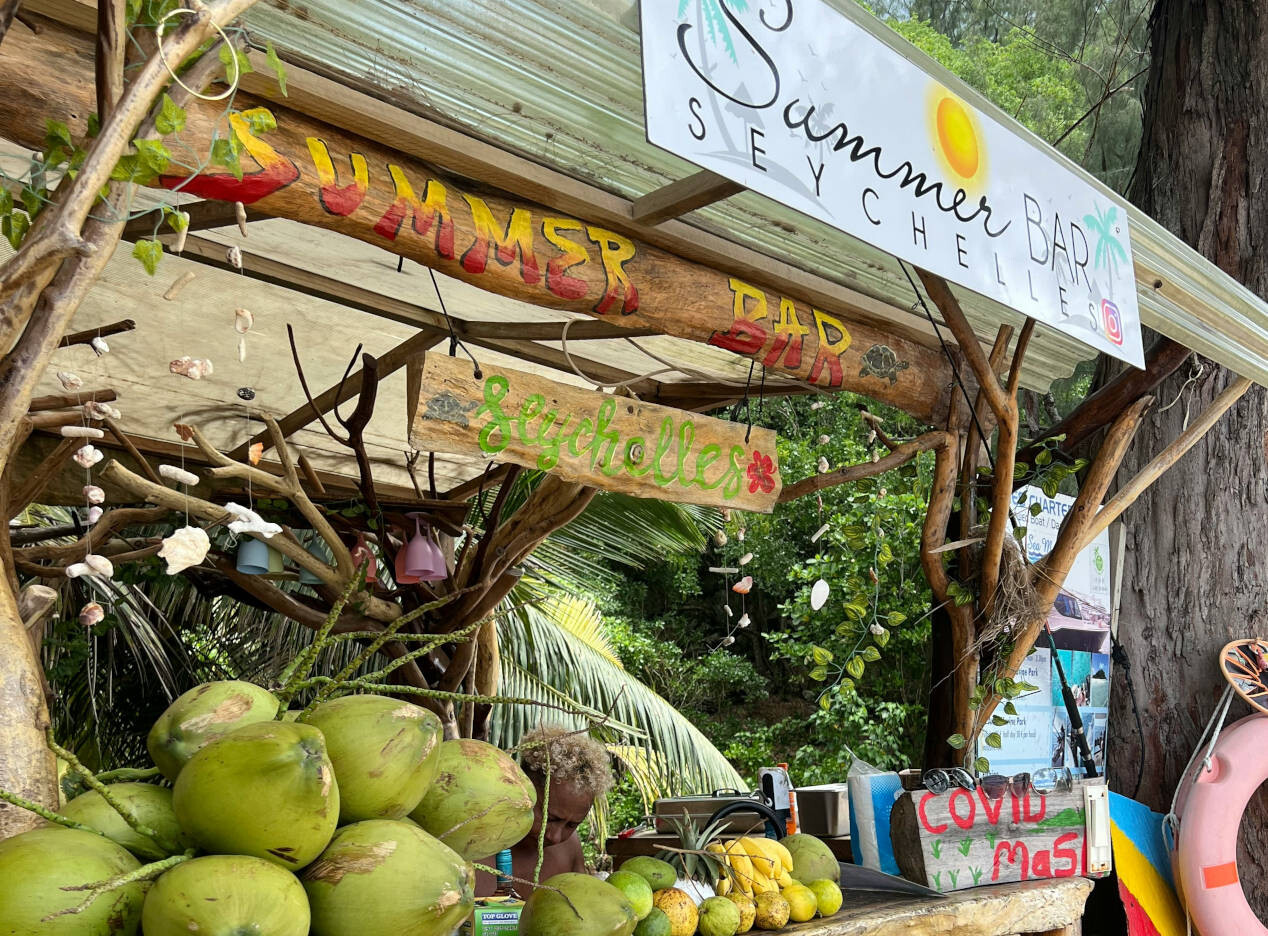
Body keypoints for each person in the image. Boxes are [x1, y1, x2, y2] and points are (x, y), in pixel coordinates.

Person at [474, 725, 615, 897]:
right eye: (551, 818)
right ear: (522, 788)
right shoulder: (474, 842)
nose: (555, 837)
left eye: (571, 825)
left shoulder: (569, 847)